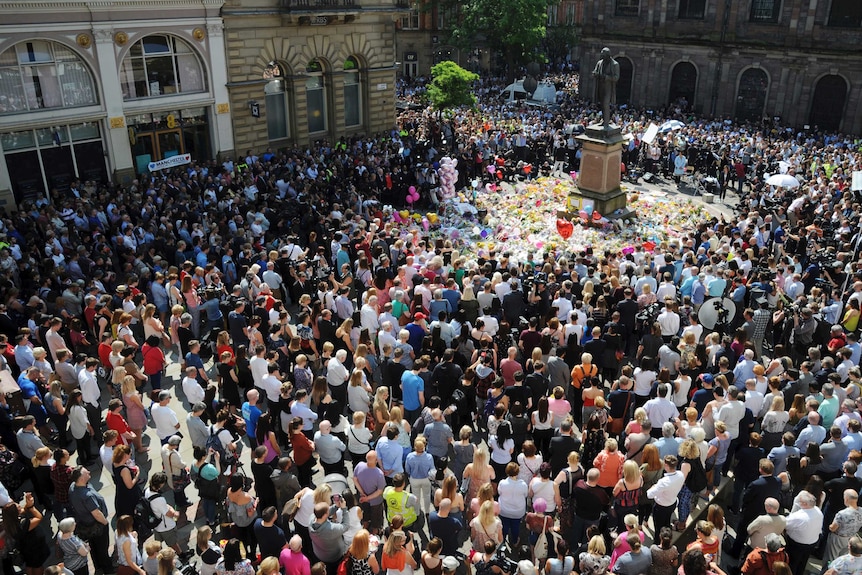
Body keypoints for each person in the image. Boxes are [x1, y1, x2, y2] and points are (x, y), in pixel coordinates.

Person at [2, 493, 49, 575]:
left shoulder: (9, 522)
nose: (20, 506)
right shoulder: (22, 525)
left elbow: (24, 509)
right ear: (16, 513)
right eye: (19, 507)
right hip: (34, 548)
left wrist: (28, 503)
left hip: (25, 548)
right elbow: (38, 517)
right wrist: (31, 507)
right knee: (38, 566)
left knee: (30, 565)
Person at [309, 499, 352, 575]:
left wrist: (336, 506)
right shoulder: (331, 530)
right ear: (325, 515)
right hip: (333, 558)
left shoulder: (311, 519)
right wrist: (344, 509)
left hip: (319, 553)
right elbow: (346, 526)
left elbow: (323, 514)